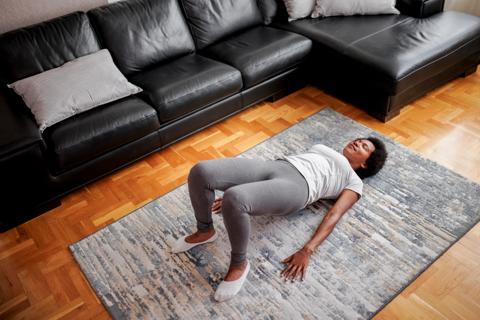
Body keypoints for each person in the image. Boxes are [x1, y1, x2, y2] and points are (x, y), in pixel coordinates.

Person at [169, 137, 387, 302]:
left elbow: (334, 214)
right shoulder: (323, 149)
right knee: (201, 171)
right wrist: (247, 188)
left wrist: (307, 250)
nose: (357, 143)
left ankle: (239, 264)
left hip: (299, 188)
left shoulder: (354, 181)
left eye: (364, 147)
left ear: (366, 164)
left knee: (235, 198)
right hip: (276, 166)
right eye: (358, 140)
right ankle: (205, 230)